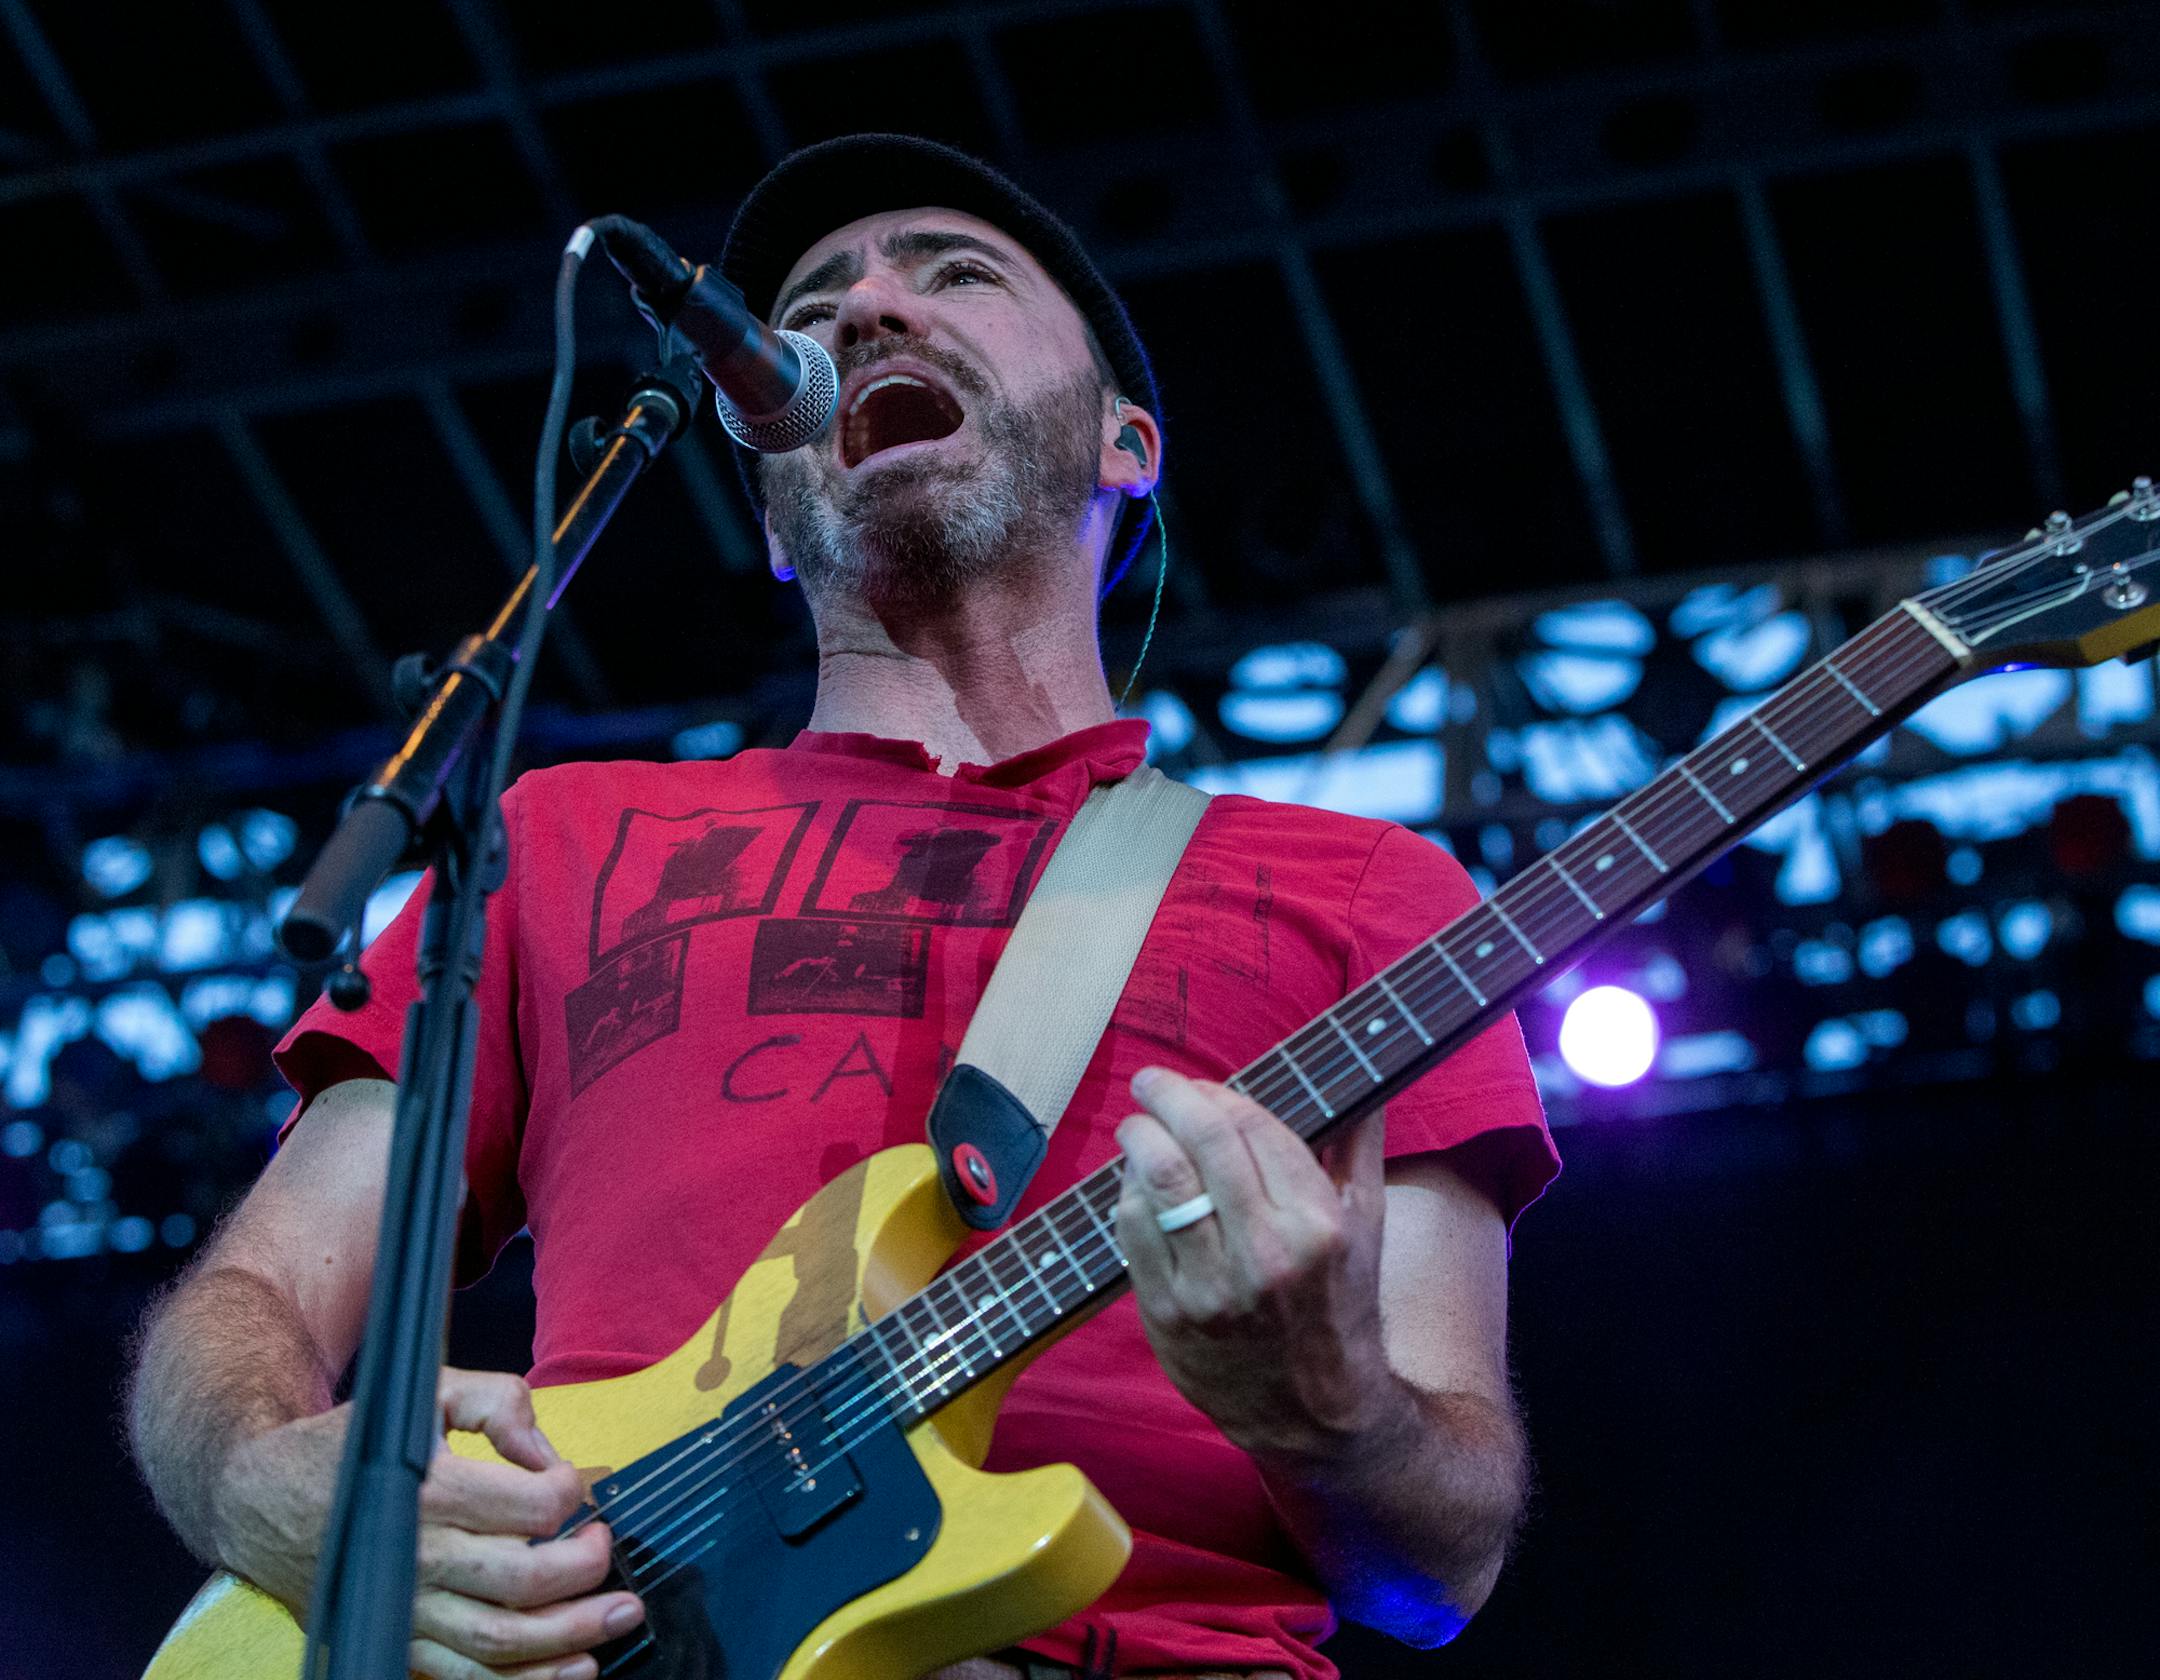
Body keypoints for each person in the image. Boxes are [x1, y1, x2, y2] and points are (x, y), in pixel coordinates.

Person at [127, 134, 1559, 1680]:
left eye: (955, 274)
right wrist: (255, 1474)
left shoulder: (1370, 895)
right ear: (769, 512)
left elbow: (1443, 1562)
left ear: (1125, 445)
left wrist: (1324, 1404)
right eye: (816, 301)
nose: (868, 307)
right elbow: (254, 1294)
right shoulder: (559, 840)